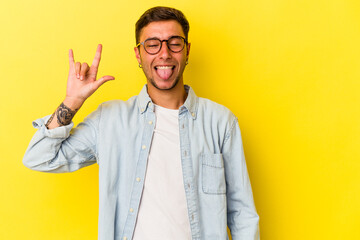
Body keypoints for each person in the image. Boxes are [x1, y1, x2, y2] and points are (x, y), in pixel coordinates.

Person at [23, 6, 259, 240]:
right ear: (139, 54)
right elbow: (39, 157)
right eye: (153, 44)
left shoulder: (220, 122)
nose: (164, 53)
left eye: (174, 43)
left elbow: (242, 214)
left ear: (186, 50)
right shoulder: (110, 120)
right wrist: (72, 102)